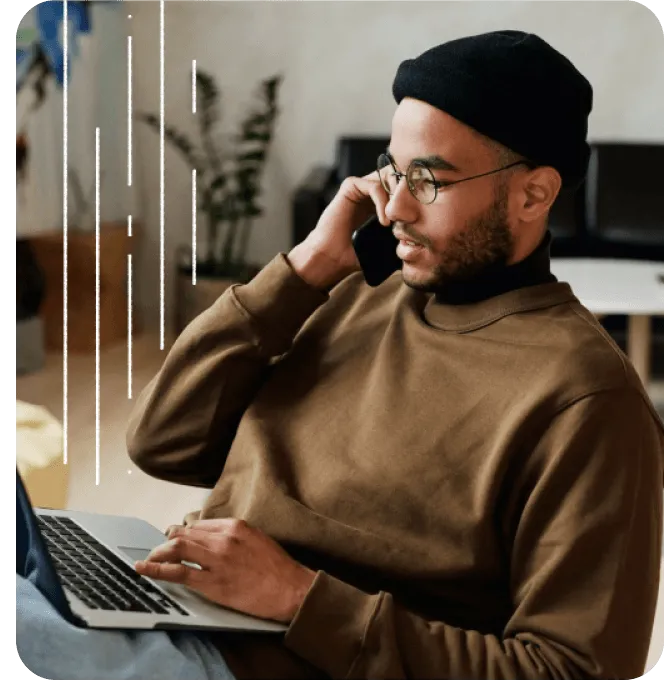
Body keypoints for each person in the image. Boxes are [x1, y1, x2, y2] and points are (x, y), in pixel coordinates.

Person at [16, 29, 664, 680]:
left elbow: (572, 670)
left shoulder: (587, 401)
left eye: (430, 182)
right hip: (169, 608)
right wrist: (305, 268)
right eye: (394, 172)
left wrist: (299, 598)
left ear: (533, 194)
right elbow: (161, 441)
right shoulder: (355, 290)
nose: (397, 208)